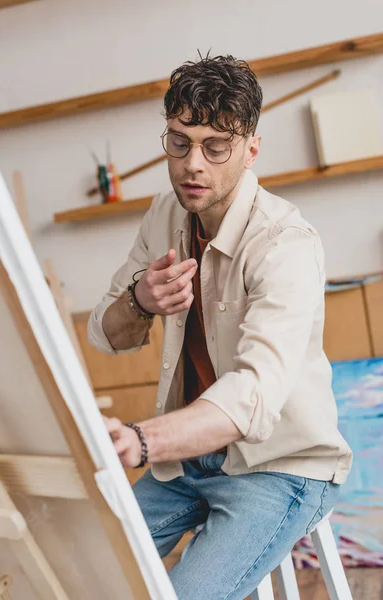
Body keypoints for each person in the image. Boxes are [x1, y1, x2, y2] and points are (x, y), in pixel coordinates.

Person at [88, 53, 352, 600]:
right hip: (190, 463)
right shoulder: (163, 215)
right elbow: (106, 336)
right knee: (83, 565)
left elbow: (254, 397)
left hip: (283, 467)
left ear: (251, 149)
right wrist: (140, 299)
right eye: (180, 142)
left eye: (216, 146)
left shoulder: (285, 243)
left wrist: (142, 440)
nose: (194, 166)